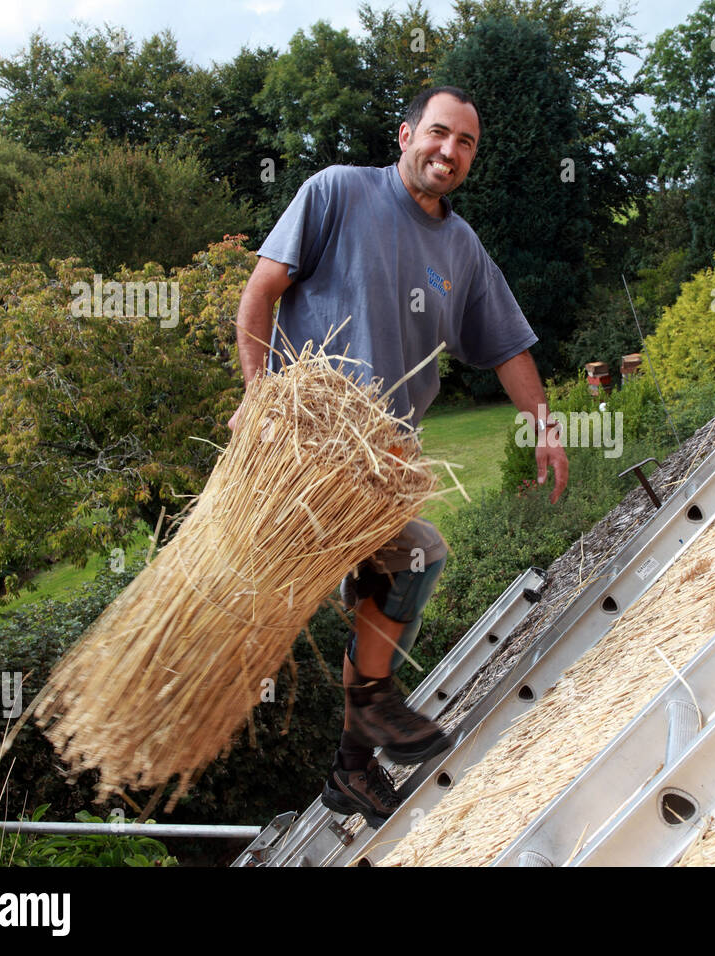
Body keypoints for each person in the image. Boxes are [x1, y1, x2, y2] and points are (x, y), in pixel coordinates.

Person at [228, 86, 569, 827]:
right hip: (305, 450)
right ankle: (364, 727)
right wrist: (258, 399)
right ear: (409, 132)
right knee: (412, 563)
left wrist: (543, 423)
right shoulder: (337, 192)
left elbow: (507, 343)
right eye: (439, 134)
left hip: (381, 465)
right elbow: (258, 296)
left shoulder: (462, 249)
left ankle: (355, 759)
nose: (449, 153)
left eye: (466, 144)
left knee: (404, 580)